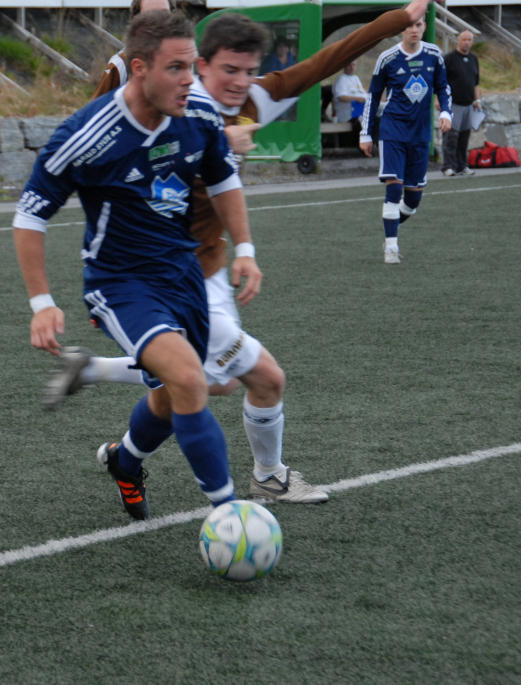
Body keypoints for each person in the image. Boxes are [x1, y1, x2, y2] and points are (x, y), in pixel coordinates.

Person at [43, 0, 431, 504]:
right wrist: (224, 139)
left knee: (192, 387)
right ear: (200, 64)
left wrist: (400, 17)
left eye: (249, 71)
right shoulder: (167, 99)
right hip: (160, 273)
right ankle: (264, 478)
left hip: (208, 271)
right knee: (258, 378)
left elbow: (329, 59)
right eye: (228, 69)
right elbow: (120, 142)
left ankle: (119, 441)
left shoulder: (256, 95)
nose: (240, 82)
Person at [13, 11, 257, 521]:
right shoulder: (85, 134)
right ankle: (229, 514)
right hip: (121, 283)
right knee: (189, 379)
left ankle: (125, 462)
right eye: (176, 68)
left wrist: (246, 249)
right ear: (140, 68)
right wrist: (42, 302)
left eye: (192, 66)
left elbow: (222, 179)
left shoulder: (199, 116)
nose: (189, 80)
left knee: (173, 394)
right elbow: (30, 215)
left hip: (185, 275)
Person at [360, 17, 451, 264]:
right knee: (394, 187)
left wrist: (445, 112)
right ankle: (391, 247)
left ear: (424, 27)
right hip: (393, 131)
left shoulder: (434, 54)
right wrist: (365, 133)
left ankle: (390, 226)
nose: (414, 29)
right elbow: (373, 96)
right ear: (401, 29)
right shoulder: (387, 58)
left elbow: (443, 87)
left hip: (420, 134)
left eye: (418, 25)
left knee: (412, 200)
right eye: (409, 25)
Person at [90, 0, 172, 100]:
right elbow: (96, 108)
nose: (159, 21)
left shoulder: (183, 59)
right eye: (150, 15)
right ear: (137, 21)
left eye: (164, 14)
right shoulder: (122, 64)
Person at [441, 30, 481, 177]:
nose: (467, 42)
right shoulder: (449, 58)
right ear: (458, 40)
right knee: (451, 137)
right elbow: (440, 81)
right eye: (464, 39)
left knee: (464, 138)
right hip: (453, 104)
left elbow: (475, 82)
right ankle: (448, 166)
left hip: (468, 104)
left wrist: (477, 100)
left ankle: (462, 165)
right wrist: (439, 99)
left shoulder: (474, 59)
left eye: (469, 40)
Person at [332, 60, 368, 147]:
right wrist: (356, 98)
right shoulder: (342, 79)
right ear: (345, 66)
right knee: (361, 123)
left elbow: (363, 93)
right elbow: (341, 97)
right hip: (348, 113)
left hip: (359, 111)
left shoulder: (356, 78)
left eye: (354, 65)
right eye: (349, 65)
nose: (352, 67)